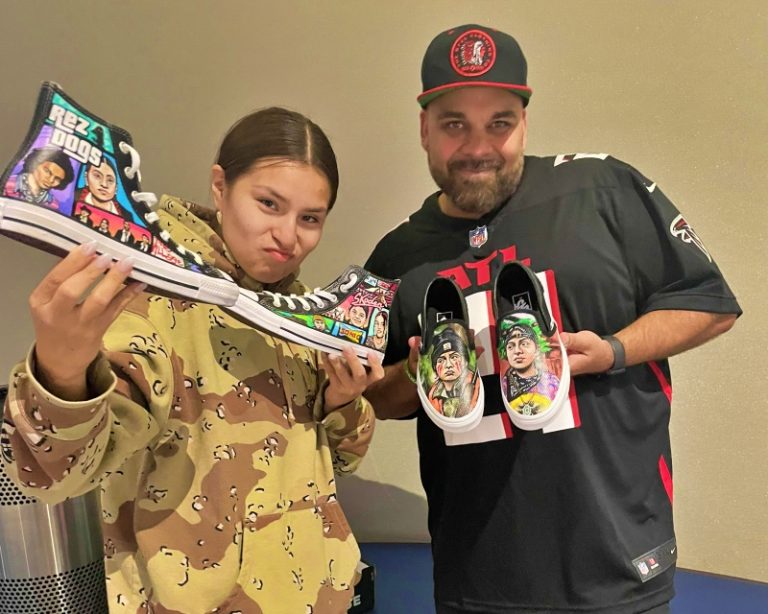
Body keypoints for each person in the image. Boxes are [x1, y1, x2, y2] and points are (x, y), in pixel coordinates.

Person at [364, 24, 741, 614]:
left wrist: (613, 350)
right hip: (476, 578)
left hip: (616, 562)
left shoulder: (602, 188)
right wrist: (417, 374)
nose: (478, 146)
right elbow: (378, 399)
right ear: (424, 129)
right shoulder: (397, 255)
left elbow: (708, 302)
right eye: (454, 124)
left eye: (499, 122)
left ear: (525, 121)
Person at [2, 107, 383, 613]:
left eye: (309, 218)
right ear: (220, 187)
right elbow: (53, 478)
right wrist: (61, 374)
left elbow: (341, 463)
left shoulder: (302, 315)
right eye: (269, 204)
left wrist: (342, 401)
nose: (288, 236)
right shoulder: (148, 304)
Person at [499, 318, 559, 416]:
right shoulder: (506, 383)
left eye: (524, 344)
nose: (517, 351)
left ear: (537, 349)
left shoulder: (552, 382)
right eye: (510, 346)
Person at [425, 326, 480, 418]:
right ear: (435, 367)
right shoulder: (433, 394)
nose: (448, 365)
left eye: (454, 357)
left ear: (465, 362)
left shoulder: (472, 384)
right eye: (441, 360)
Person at [3, 146, 74, 208]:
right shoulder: (6, 184)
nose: (51, 180)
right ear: (35, 163)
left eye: (57, 178)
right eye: (47, 171)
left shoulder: (53, 204)